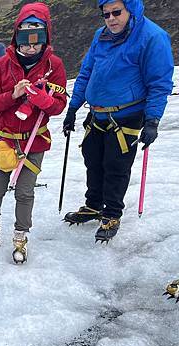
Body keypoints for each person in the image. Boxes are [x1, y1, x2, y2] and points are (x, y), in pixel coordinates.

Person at [62, 0, 173, 242]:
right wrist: (73, 108)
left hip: (127, 117)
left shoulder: (152, 37)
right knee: (93, 160)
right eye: (106, 14)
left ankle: (111, 214)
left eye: (116, 12)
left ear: (130, 9)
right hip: (97, 114)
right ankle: (93, 205)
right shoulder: (100, 35)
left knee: (115, 166)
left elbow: (159, 83)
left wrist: (152, 120)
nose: (111, 19)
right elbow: (87, 71)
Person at [0, 3, 67, 263]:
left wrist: (41, 99)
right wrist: (14, 94)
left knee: (25, 191)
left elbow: (59, 105)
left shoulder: (55, 66)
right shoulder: (3, 64)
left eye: (37, 41)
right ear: (16, 36)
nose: (31, 47)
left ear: (45, 38)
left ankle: (20, 235)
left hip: (34, 142)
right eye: (25, 40)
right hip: (5, 139)